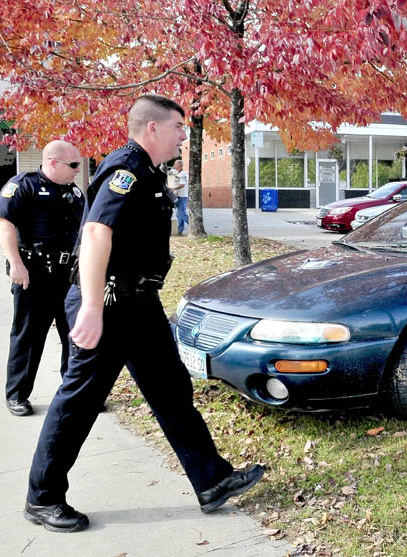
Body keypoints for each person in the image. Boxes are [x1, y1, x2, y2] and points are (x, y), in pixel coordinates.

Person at [24, 95, 264, 533]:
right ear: (152, 128)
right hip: (110, 303)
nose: (182, 136)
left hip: (138, 304)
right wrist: (93, 307)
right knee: (79, 401)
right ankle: (42, 498)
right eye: (177, 126)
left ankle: (211, 480)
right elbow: (96, 233)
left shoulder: (148, 173)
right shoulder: (126, 171)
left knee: (171, 389)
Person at [0, 141, 84, 416]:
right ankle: (17, 394)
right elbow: (4, 224)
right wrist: (16, 264)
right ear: (53, 162)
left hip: (67, 275)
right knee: (29, 337)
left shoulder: (74, 191)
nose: (77, 171)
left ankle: (74, 393)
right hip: (33, 275)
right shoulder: (23, 185)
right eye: (73, 165)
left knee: (74, 337)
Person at [168, 159, 189, 234]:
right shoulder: (178, 173)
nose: (173, 165)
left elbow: (182, 185)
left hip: (182, 196)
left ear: (178, 165)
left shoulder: (183, 174)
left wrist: (174, 188)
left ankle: (194, 226)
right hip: (178, 196)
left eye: (174, 164)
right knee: (179, 215)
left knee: (181, 214)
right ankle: (180, 231)